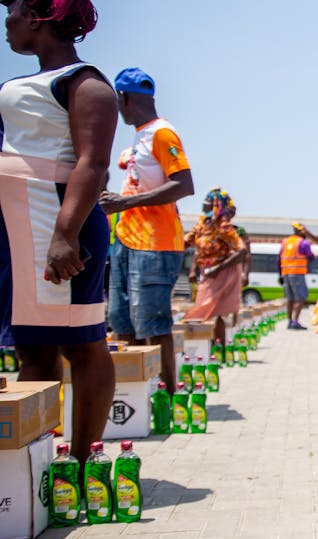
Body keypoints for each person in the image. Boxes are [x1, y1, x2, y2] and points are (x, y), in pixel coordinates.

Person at [0, 0, 115, 468]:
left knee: (81, 342)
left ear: (38, 18)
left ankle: (83, 463)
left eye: (13, 12)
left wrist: (65, 234)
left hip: (57, 225)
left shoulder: (84, 82)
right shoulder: (17, 83)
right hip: (17, 228)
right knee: (32, 344)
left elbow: (93, 164)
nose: (6, 22)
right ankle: (38, 466)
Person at [98, 66, 194, 392]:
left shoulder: (162, 133)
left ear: (122, 98)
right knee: (121, 322)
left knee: (153, 322)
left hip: (155, 243)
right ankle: (132, 394)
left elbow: (183, 185)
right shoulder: (140, 136)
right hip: (127, 239)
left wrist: (124, 204)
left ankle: (168, 394)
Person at [183, 188, 246, 344]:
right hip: (207, 272)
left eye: (209, 201)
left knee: (214, 312)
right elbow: (187, 242)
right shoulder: (202, 223)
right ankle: (209, 346)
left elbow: (242, 251)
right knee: (205, 310)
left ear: (217, 205)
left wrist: (218, 268)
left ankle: (219, 349)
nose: (204, 203)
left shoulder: (223, 226)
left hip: (223, 273)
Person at [279, 223, 315, 329]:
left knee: (290, 299)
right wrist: (313, 256)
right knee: (300, 298)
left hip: (285, 273)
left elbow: (279, 259)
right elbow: (310, 256)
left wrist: (280, 275)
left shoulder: (285, 242)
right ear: (301, 231)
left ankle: (290, 322)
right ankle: (295, 322)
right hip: (297, 273)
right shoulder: (303, 243)